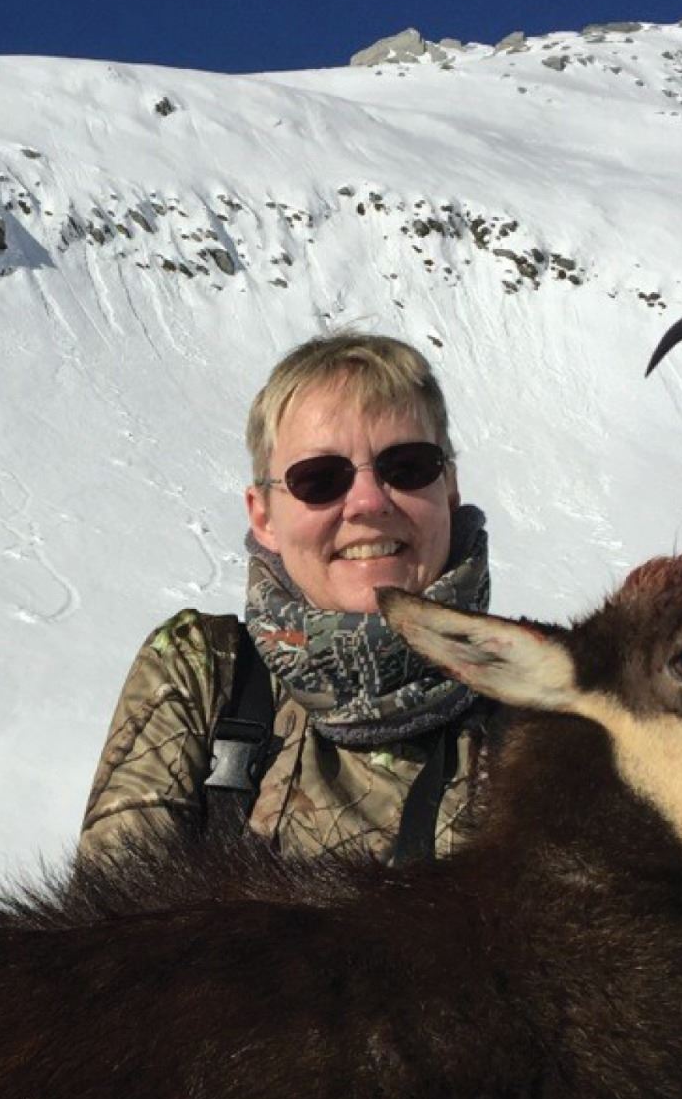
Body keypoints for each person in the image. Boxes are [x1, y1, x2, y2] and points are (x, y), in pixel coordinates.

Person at [77, 332, 494, 866]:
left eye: (408, 467)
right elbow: (119, 909)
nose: (368, 502)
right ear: (264, 516)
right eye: (320, 479)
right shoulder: (204, 671)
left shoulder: (547, 717)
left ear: (449, 489)